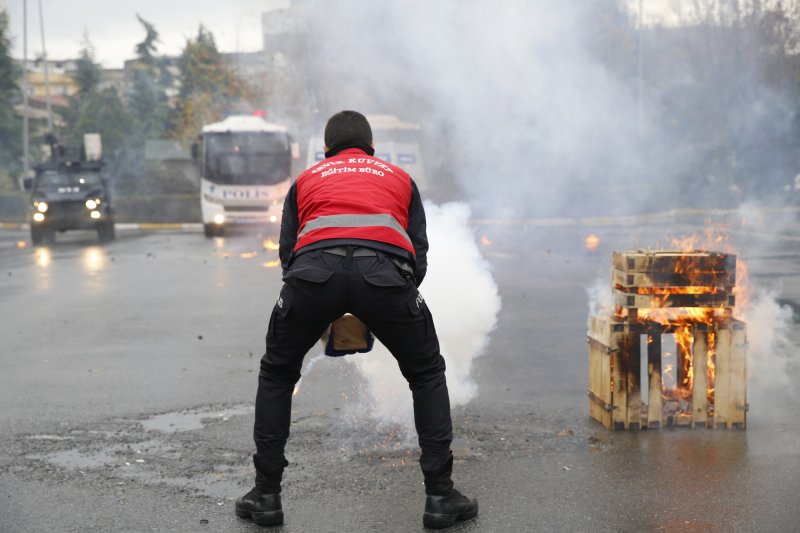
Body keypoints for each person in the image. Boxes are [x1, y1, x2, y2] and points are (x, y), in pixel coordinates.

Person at [235, 110, 478, 529]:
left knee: (277, 374)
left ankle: (266, 496)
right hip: (384, 276)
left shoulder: (308, 179)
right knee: (426, 374)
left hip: (312, 276)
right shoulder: (398, 178)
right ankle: (440, 497)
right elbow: (417, 252)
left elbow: (288, 253)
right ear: (370, 148)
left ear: (326, 149)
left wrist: (322, 302)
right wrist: (385, 302)